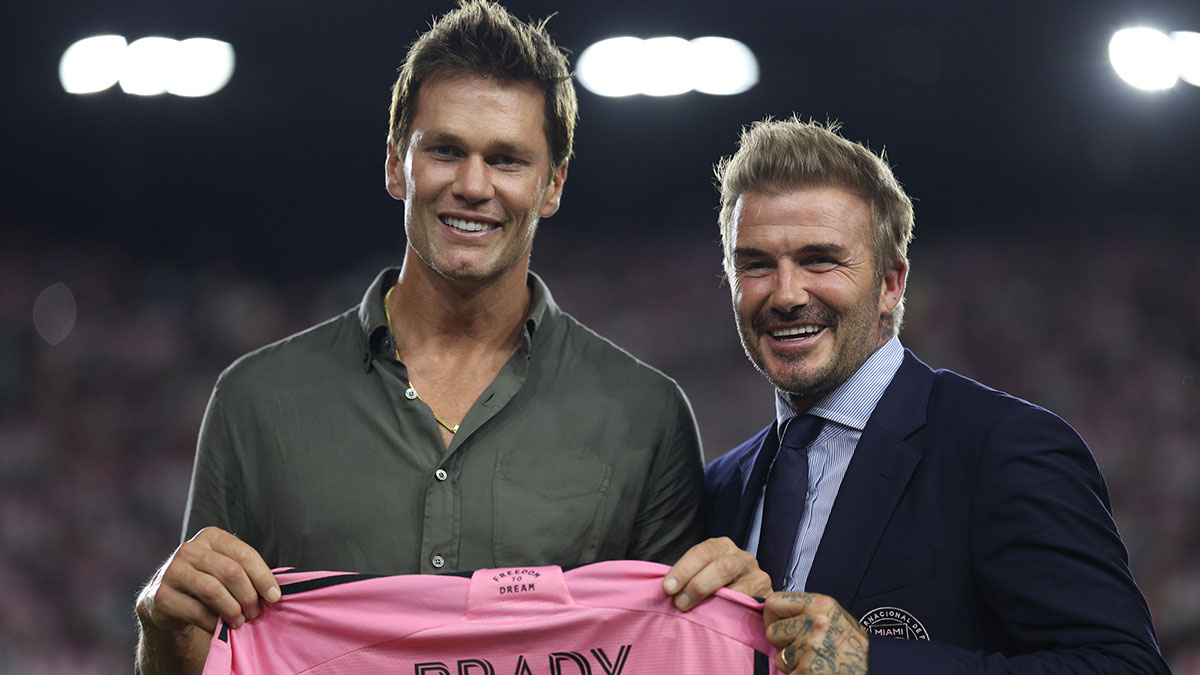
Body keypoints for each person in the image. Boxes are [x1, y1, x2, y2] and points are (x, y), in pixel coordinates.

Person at [134, 2, 705, 672]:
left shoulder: (649, 414)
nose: (472, 184)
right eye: (444, 150)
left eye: (507, 159)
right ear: (395, 166)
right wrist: (163, 628)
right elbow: (207, 654)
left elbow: (674, 655)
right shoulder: (256, 401)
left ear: (552, 185)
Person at [662, 117, 1169, 673]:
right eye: (756, 264)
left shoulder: (1004, 450)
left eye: (820, 260)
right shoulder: (720, 489)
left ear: (890, 284)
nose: (785, 294)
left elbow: (1126, 667)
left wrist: (874, 664)